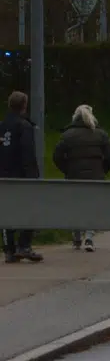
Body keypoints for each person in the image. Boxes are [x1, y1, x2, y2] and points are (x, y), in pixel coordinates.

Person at [52, 104, 110, 251]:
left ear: (75, 117)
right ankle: (89, 237)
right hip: (96, 177)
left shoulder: (67, 135)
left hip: (73, 176)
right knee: (92, 206)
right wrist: (103, 170)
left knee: (75, 205)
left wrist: (66, 170)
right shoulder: (100, 134)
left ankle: (76, 237)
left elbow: (57, 156)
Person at [0, 91, 43, 264]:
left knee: (7, 211)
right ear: (24, 105)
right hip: (21, 173)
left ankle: (9, 249)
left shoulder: (2, 125)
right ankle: (24, 245)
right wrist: (33, 175)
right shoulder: (25, 126)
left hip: (3, 173)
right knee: (30, 208)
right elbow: (27, 152)